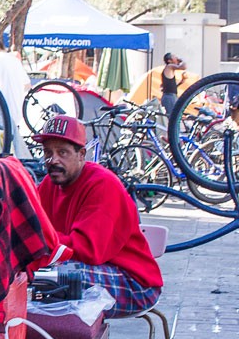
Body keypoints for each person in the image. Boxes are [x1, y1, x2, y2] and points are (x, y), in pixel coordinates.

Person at [33, 115, 163, 318]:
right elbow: (31, 225)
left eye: (62, 152)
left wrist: (36, 241)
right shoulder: (50, 185)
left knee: (48, 279)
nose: (53, 160)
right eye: (48, 152)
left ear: (81, 154)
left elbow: (87, 250)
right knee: (26, 277)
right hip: (95, 268)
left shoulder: (102, 184)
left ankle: (52, 333)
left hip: (136, 284)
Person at [160, 53, 186, 118]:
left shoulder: (169, 69)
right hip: (169, 97)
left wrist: (181, 81)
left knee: (174, 116)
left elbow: (171, 86)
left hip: (171, 95)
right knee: (173, 117)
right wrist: (181, 60)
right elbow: (183, 67)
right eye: (174, 57)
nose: (176, 58)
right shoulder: (169, 66)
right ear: (169, 60)